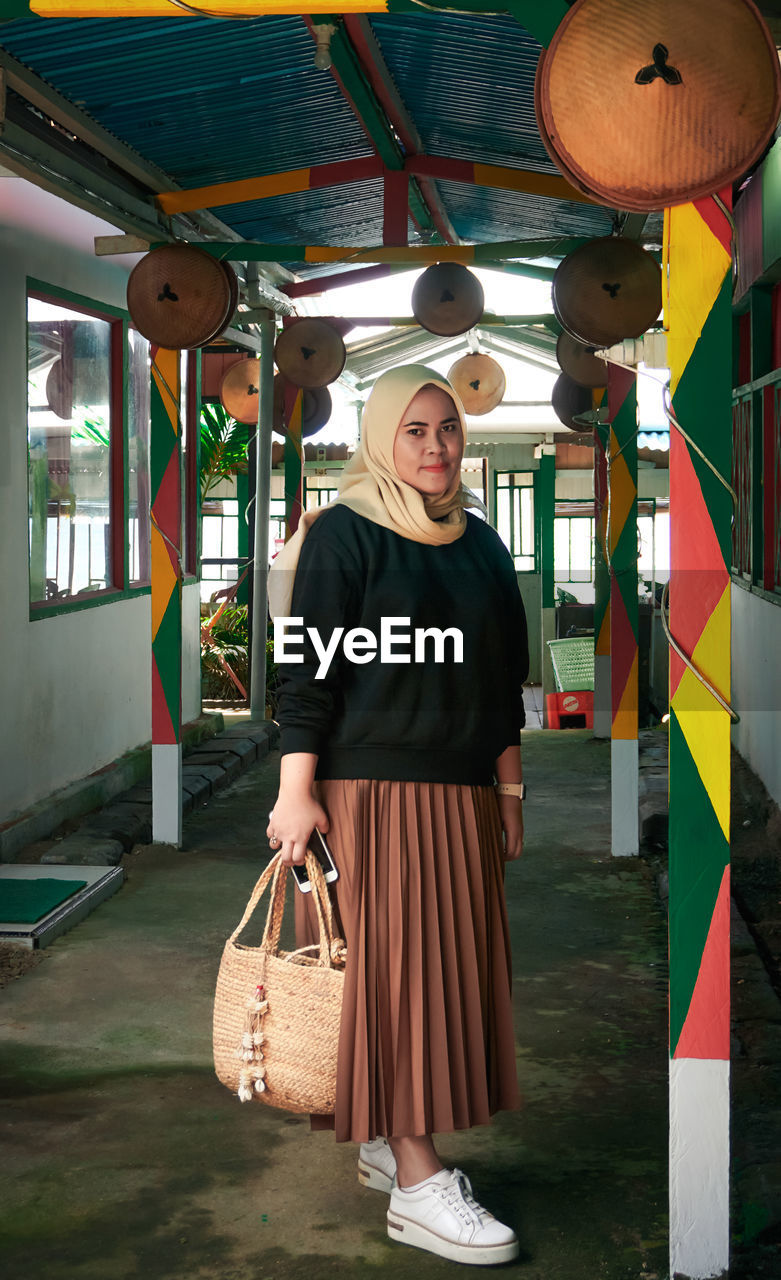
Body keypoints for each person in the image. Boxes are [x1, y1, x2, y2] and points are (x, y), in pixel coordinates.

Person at [266, 364, 528, 1267]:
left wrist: (509, 788)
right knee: (391, 980)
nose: (434, 445)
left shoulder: (483, 546)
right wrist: (294, 789)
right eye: (414, 429)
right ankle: (417, 1182)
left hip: (457, 799)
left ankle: (383, 1136)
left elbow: (501, 687)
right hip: (364, 800)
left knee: (445, 975)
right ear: (382, 437)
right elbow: (307, 671)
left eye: (446, 427)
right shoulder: (344, 536)